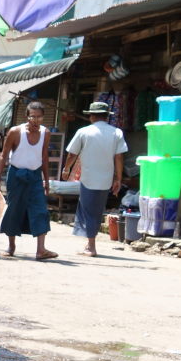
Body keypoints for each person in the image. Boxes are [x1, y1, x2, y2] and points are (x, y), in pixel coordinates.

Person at [0, 101, 58, 260]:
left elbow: (44, 157)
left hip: (35, 176)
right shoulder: (15, 132)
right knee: (15, 208)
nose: (35, 120)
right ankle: (11, 246)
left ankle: (41, 250)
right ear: (27, 116)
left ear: (43, 118)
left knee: (40, 210)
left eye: (39, 117)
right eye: (32, 117)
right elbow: (4, 155)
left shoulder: (45, 133)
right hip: (16, 175)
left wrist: (46, 181)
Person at [62, 101, 127, 257]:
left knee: (88, 211)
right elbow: (119, 157)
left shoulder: (83, 132)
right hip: (105, 180)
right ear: (106, 117)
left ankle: (91, 246)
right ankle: (90, 243)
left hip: (88, 178)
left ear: (91, 116)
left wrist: (66, 168)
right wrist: (118, 178)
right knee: (96, 211)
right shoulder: (116, 132)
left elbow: (72, 154)